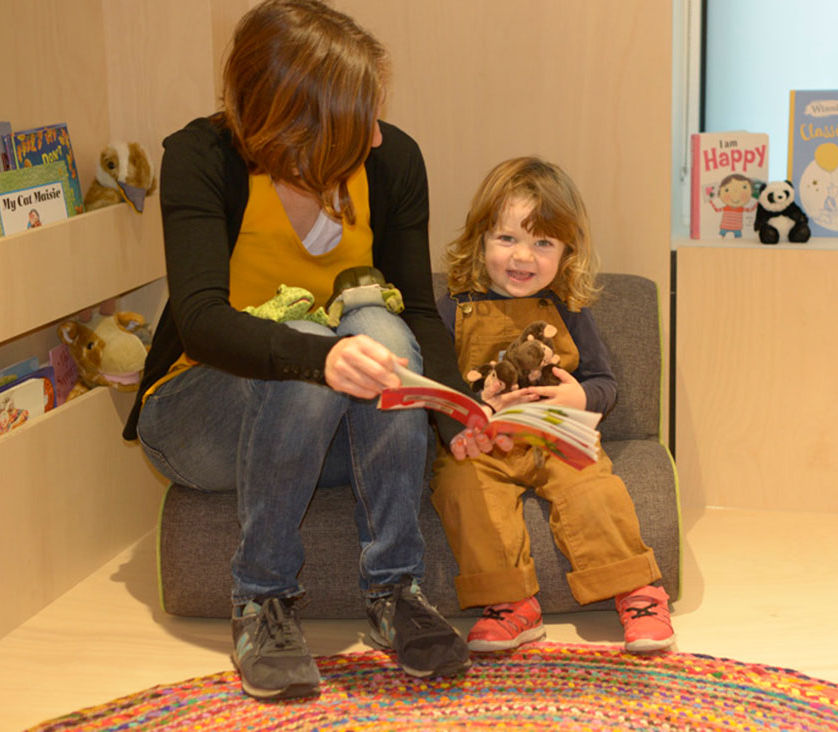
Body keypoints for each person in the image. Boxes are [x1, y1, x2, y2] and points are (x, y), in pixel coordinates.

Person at [122, 0, 481, 700]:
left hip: (336, 431)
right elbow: (199, 320)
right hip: (201, 416)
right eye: (358, 118)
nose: (376, 135)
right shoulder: (200, 158)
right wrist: (318, 360)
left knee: (380, 326)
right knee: (313, 347)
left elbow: (421, 312)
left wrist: (455, 411)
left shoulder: (394, 160)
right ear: (298, 119)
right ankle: (261, 597)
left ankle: (395, 591)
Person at [430, 157, 676, 654]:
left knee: (592, 488)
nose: (523, 256)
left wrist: (578, 396)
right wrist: (473, 414)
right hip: (489, 446)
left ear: (567, 252)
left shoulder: (568, 308)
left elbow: (605, 383)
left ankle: (638, 592)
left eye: (542, 242)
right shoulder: (451, 308)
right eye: (507, 239)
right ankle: (510, 604)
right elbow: (444, 391)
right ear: (481, 239)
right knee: (459, 484)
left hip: (558, 438)